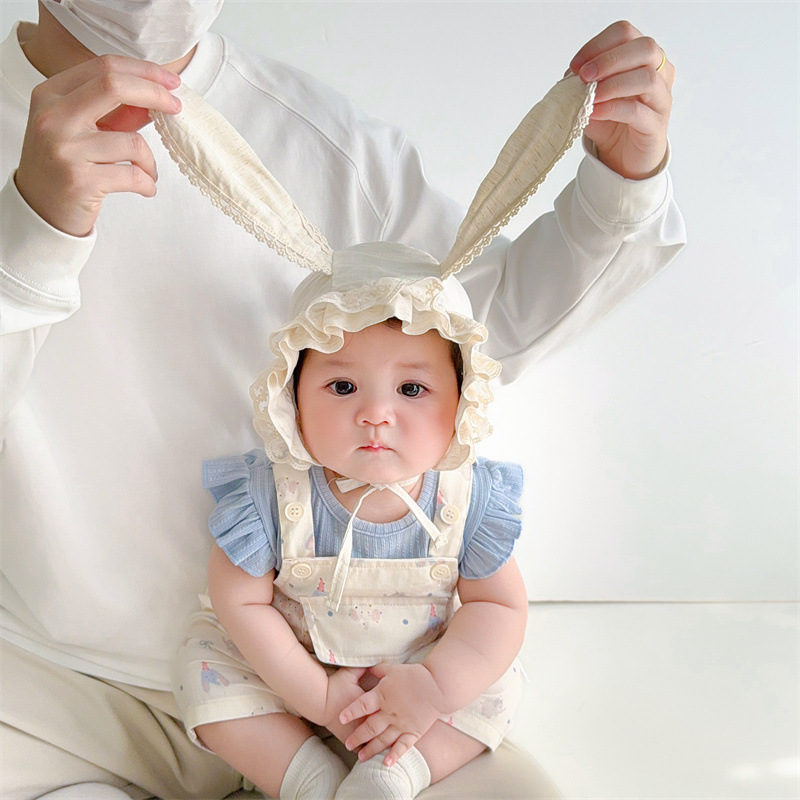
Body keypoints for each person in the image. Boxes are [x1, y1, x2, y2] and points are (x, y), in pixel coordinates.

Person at [0, 2, 685, 798]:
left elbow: (480, 326)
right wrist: (32, 234)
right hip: (56, 698)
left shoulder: (328, 145)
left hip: (356, 692)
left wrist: (619, 181)